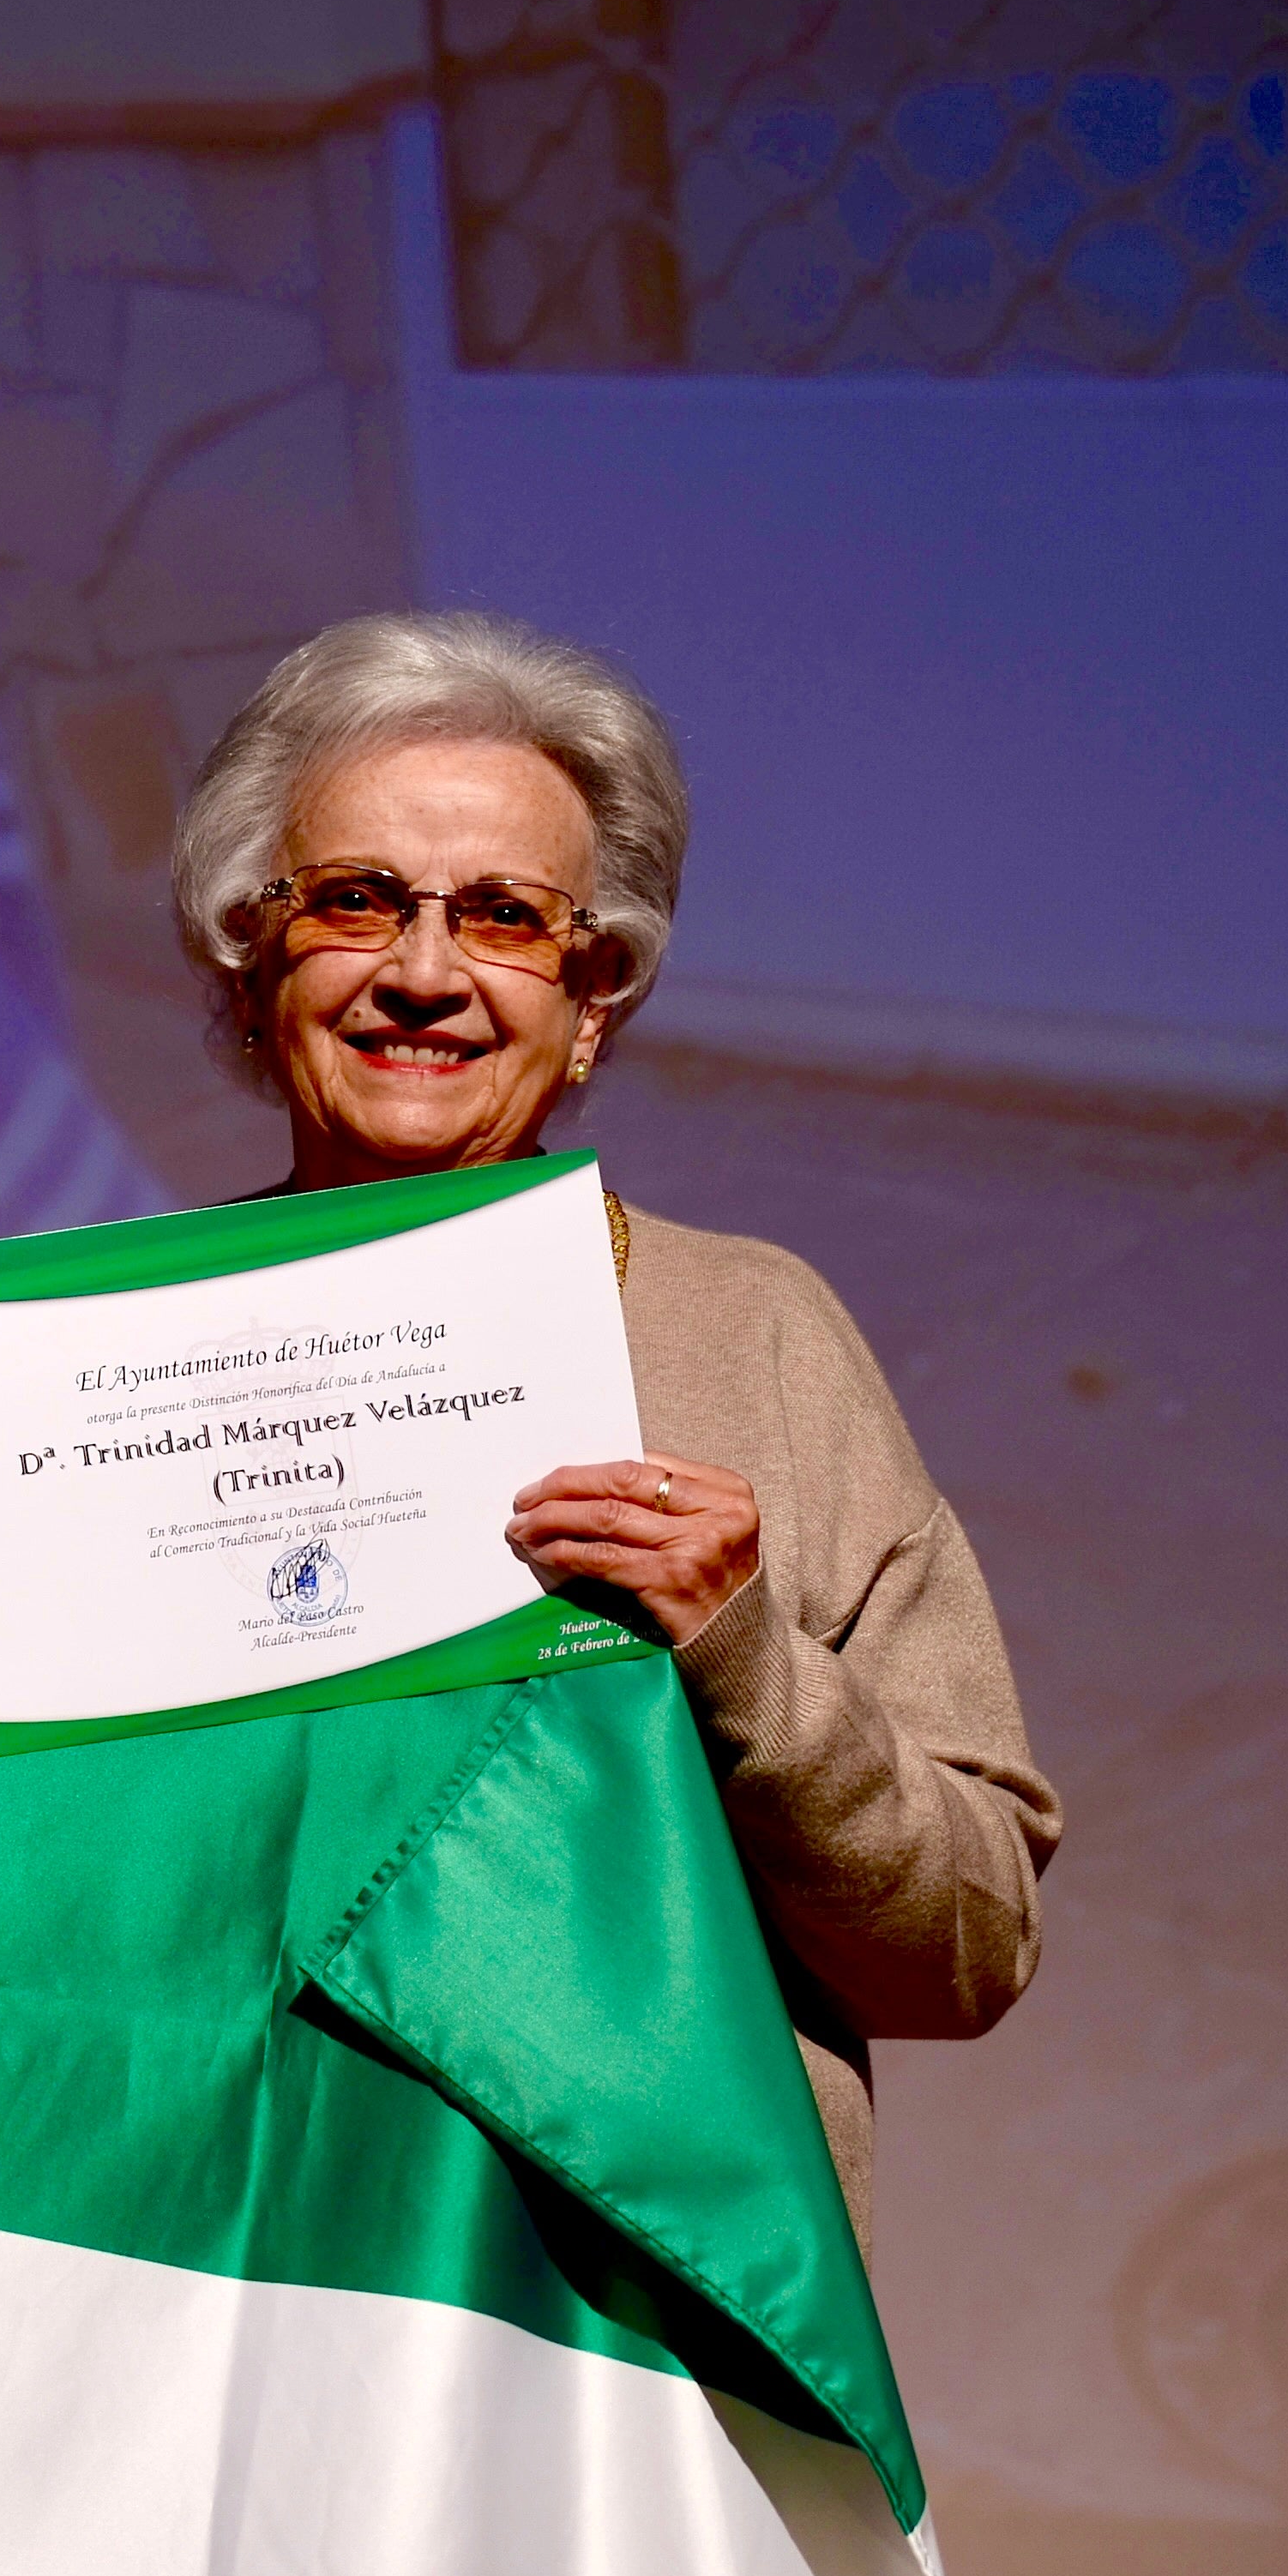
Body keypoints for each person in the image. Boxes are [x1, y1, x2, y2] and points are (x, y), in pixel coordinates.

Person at [170, 612, 1063, 2244]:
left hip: (632, 2326)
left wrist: (745, 1662)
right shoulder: (118, 1364)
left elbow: (965, 1943)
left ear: (590, 1002)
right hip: (225, 2284)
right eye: (356, 898)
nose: (423, 972)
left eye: (505, 917)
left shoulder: (756, 1332)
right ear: (253, 964)